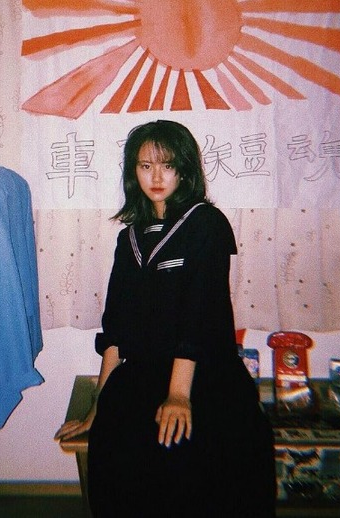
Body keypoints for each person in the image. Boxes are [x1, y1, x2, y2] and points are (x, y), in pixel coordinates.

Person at [55, 120, 276, 517]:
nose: (156, 177)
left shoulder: (206, 224)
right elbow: (116, 329)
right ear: (133, 172)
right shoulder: (129, 237)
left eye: (167, 165)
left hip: (203, 371)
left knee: (192, 456)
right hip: (143, 373)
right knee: (119, 454)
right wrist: (99, 406)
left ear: (185, 170)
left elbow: (200, 313)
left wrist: (178, 395)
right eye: (145, 166)